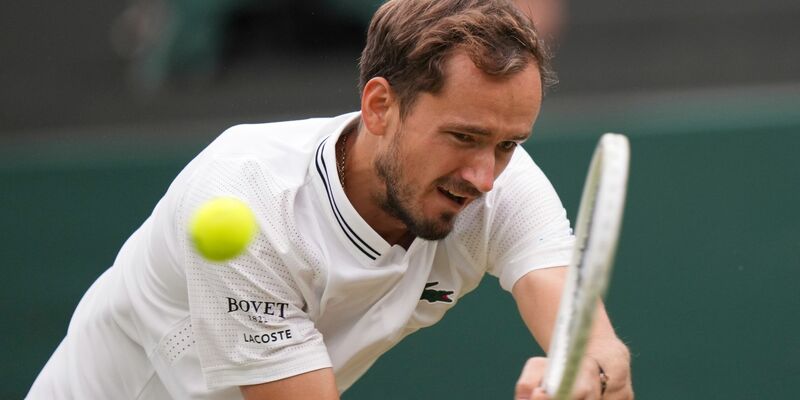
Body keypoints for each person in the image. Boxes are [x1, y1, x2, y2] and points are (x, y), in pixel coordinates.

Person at [29, 0, 632, 399]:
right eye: (463, 137)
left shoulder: (500, 184)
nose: (484, 176)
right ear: (379, 107)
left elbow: (600, 351)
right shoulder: (249, 201)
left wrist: (583, 375)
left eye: (507, 144)